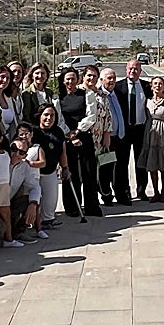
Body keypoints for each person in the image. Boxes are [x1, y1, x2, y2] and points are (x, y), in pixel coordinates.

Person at [59, 67, 105, 217]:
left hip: (84, 135)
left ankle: (91, 206)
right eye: (68, 79)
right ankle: (73, 206)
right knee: (71, 172)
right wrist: (69, 134)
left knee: (89, 172)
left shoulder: (87, 94)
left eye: (73, 78)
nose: (70, 82)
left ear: (77, 79)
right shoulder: (57, 97)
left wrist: (78, 131)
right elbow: (58, 117)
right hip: (67, 137)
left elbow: (91, 116)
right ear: (63, 80)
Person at [113, 59, 152, 202]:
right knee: (122, 163)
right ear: (126, 69)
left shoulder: (146, 86)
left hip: (140, 129)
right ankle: (124, 193)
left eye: (136, 69)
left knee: (141, 162)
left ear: (140, 71)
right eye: (130, 68)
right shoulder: (118, 87)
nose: (132, 71)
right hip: (124, 129)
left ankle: (142, 191)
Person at [142, 76, 164, 203]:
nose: (158, 86)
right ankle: (155, 192)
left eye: (161, 84)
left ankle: (163, 191)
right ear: (151, 86)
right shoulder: (147, 101)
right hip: (150, 132)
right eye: (155, 84)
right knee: (152, 163)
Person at [31, 105, 67, 227]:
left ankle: (47, 220)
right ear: (40, 116)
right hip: (34, 171)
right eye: (46, 115)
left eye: (52, 115)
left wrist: (65, 167)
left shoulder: (58, 131)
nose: (49, 118)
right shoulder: (33, 131)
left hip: (50, 170)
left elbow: (63, 152)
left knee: (51, 198)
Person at [97, 67, 127, 205]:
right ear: (102, 80)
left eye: (114, 78)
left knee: (120, 169)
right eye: (109, 78)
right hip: (106, 139)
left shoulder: (118, 94)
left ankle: (121, 195)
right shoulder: (98, 96)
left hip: (120, 137)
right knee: (106, 170)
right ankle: (106, 196)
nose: (112, 81)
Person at [21, 62, 59, 126]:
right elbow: (26, 116)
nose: (40, 76)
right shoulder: (27, 94)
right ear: (32, 76)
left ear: (47, 76)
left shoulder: (49, 92)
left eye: (43, 73)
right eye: (37, 73)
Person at [0, 65, 24, 134]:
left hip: (8, 139)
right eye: (2, 77)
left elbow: (13, 123)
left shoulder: (8, 97)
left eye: (8, 78)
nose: (5, 80)